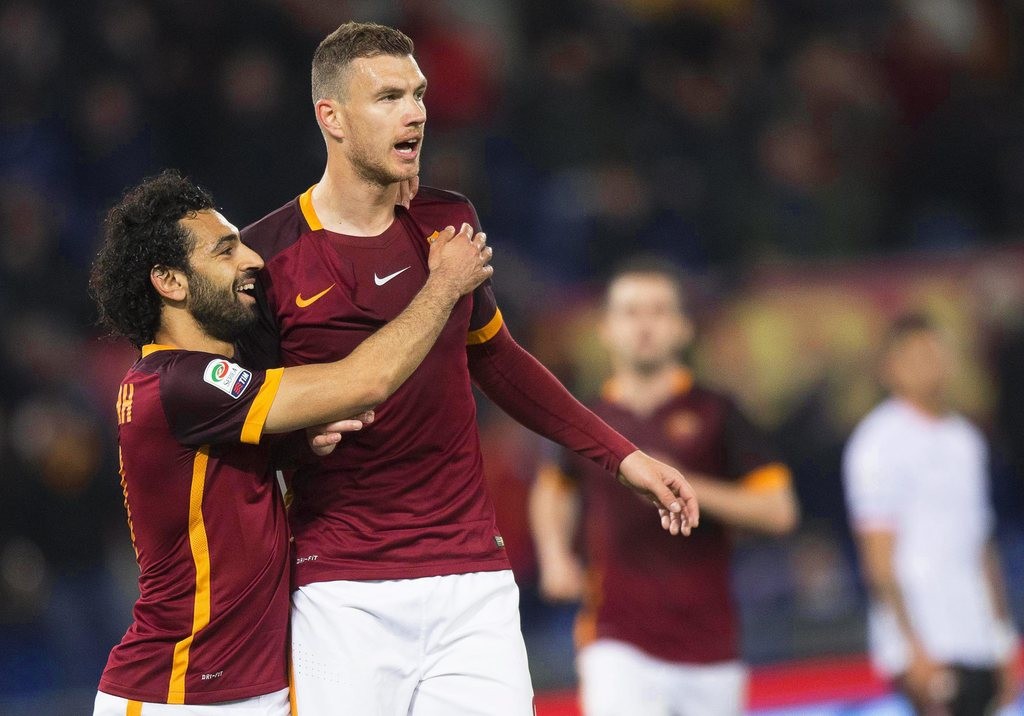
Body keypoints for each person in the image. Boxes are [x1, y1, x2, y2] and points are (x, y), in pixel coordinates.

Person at [235, 21, 700, 715]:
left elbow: (498, 360)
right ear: (331, 117)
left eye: (418, 94)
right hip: (342, 586)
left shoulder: (448, 220)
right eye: (389, 97)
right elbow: (244, 422)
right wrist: (295, 439)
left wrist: (622, 456)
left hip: (471, 579)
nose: (415, 113)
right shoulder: (266, 255)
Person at [88, 169, 494, 715]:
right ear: (170, 281)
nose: (254, 260)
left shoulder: (189, 390)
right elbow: (364, 382)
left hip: (250, 688)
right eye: (225, 250)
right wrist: (443, 285)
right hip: (177, 692)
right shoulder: (179, 383)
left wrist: (298, 446)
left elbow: (228, 494)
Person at [529, 259, 799, 716]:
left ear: (682, 328)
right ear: (606, 329)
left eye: (658, 311)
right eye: (630, 312)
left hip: (710, 646)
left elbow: (779, 511)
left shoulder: (718, 412)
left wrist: (685, 484)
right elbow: (553, 487)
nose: (644, 326)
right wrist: (555, 556)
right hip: (616, 639)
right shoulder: (585, 419)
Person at [843, 313, 1021, 715]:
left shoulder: (966, 440)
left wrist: (1003, 639)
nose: (929, 365)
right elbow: (878, 557)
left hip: (977, 637)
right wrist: (911, 647)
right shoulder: (877, 443)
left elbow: (981, 547)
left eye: (936, 354)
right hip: (926, 640)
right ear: (889, 369)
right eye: (915, 356)